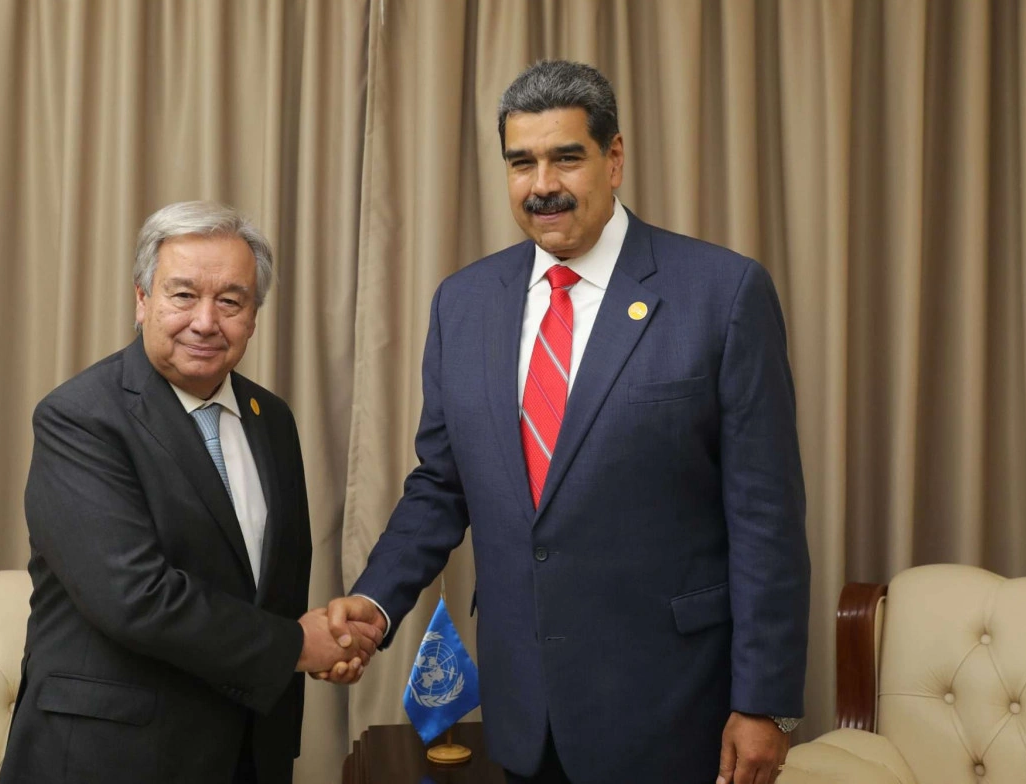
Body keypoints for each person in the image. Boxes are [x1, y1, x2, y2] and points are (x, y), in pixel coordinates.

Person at [324, 60, 810, 784]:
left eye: (566, 158)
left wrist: (765, 703)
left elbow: (766, 516)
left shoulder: (722, 293)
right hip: (525, 709)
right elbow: (441, 485)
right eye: (521, 162)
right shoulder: (463, 303)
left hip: (673, 706)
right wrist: (374, 602)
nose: (541, 184)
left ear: (614, 160)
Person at [0, 201, 380, 784]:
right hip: (112, 758)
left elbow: (266, 589)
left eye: (230, 301)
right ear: (142, 300)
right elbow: (135, 597)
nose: (205, 321)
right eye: (182, 295)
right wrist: (296, 648)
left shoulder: (272, 419)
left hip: (249, 749)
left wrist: (326, 642)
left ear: (253, 317)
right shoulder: (80, 417)